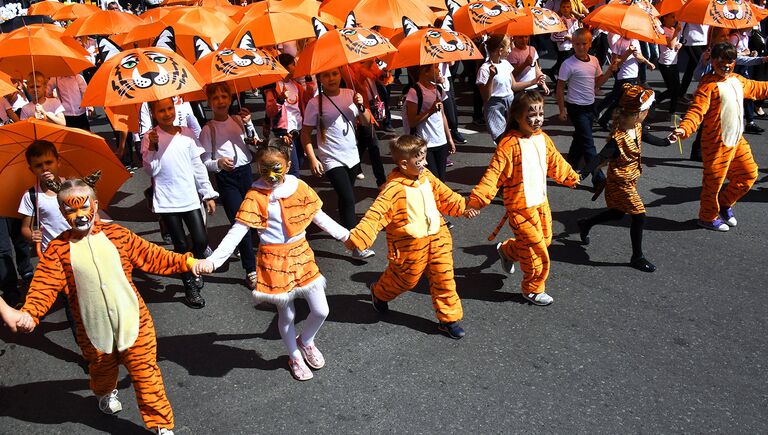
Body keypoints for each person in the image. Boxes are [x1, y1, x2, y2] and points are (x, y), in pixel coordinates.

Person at [0, 175, 205, 435]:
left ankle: (161, 425)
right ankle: (105, 391)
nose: (79, 214)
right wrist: (31, 313)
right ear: (62, 212)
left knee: (147, 374)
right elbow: (43, 287)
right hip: (93, 331)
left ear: (95, 206)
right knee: (102, 371)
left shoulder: (118, 235)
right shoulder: (57, 250)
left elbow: (153, 256)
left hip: (134, 323)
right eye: (71, 209)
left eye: (84, 206)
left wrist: (188, 263)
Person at [195, 139, 349, 381]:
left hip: (301, 254)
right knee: (286, 315)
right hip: (273, 259)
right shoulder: (255, 195)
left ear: (287, 165)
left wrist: (347, 236)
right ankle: (294, 356)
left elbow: (320, 217)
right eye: (264, 169)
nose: (270, 174)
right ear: (257, 168)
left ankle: (306, 341)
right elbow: (237, 231)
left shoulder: (299, 187)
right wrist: (214, 261)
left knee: (321, 310)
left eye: (276, 167)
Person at [343, 135, 473, 339]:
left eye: (424, 157)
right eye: (420, 159)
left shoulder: (427, 176)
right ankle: (379, 293)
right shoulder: (393, 189)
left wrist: (465, 206)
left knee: (445, 278)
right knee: (405, 281)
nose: (426, 162)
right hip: (410, 245)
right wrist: (359, 237)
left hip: (438, 238)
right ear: (404, 163)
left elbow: (446, 196)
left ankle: (449, 319)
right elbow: (376, 214)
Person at [466, 91, 580, 306]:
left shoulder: (543, 138)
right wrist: (476, 201)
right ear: (517, 116)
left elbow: (556, 162)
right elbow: (494, 174)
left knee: (544, 241)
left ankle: (507, 250)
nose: (537, 119)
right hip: (520, 208)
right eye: (531, 114)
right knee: (536, 249)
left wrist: (570, 177)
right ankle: (533, 289)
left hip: (541, 203)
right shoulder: (508, 145)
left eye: (540, 113)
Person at [669, 42, 768, 232]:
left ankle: (724, 203)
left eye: (730, 59)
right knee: (713, 184)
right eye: (721, 59)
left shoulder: (738, 80)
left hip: (737, 141)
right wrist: (684, 129)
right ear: (713, 60)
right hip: (716, 144)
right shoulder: (708, 85)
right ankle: (707, 217)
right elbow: (696, 112)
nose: (726, 63)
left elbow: (759, 88)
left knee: (749, 175)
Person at [577, 84, 671, 273]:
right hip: (619, 183)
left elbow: (649, 137)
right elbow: (600, 157)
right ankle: (637, 257)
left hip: (630, 180)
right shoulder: (618, 139)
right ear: (638, 113)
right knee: (639, 215)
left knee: (618, 212)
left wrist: (667, 141)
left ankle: (586, 223)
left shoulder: (637, 126)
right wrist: (582, 174)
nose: (648, 113)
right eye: (647, 110)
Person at [141, 98, 218, 308]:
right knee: (181, 245)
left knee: (201, 241)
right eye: (161, 110)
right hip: (167, 201)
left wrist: (207, 193)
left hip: (190, 197)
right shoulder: (149, 137)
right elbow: (151, 170)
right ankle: (189, 285)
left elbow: (198, 166)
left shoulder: (187, 133)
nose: (167, 113)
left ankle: (192, 265)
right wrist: (154, 147)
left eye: (169, 108)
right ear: (153, 113)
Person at [300, 67, 375, 259]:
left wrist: (362, 106)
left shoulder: (351, 94)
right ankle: (356, 244)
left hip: (352, 156)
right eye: (326, 74)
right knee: (349, 198)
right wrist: (313, 158)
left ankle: (344, 229)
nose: (331, 78)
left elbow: (366, 122)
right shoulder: (314, 103)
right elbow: (306, 134)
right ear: (319, 78)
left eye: (334, 73)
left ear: (340, 75)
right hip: (331, 159)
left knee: (345, 197)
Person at [199, 83, 259, 290]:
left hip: (246, 173)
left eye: (225, 96)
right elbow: (205, 160)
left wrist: (249, 125)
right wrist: (218, 163)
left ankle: (252, 250)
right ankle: (250, 268)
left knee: (256, 216)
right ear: (209, 103)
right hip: (227, 178)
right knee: (240, 221)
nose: (221, 101)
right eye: (216, 98)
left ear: (231, 98)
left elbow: (253, 145)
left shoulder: (237, 120)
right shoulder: (208, 129)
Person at [556, 28, 618, 186]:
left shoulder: (594, 61)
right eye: (577, 44)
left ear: (590, 44)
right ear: (573, 44)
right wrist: (562, 109)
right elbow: (560, 87)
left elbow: (597, 83)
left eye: (584, 43)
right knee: (589, 145)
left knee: (579, 140)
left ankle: (568, 169)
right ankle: (599, 179)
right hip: (575, 108)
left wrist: (610, 72)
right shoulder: (568, 64)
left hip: (590, 106)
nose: (580, 47)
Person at [476, 35, 545, 143]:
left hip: (510, 101)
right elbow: (486, 97)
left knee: (515, 134)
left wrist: (534, 81)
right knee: (501, 138)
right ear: (500, 50)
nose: (510, 50)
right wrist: (491, 77)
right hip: (495, 105)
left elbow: (514, 86)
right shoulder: (485, 69)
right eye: (508, 47)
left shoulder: (506, 64)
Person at [404, 64, 456, 182]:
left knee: (441, 181)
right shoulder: (414, 92)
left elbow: (443, 116)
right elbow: (412, 122)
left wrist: (450, 139)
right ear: (425, 71)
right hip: (425, 144)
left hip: (441, 142)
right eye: (436, 68)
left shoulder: (439, 90)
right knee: (433, 181)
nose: (439, 71)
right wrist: (430, 111)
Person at [263, 53, 310, 177]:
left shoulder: (297, 86)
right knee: (293, 168)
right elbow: (270, 111)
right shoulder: (273, 88)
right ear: (286, 67)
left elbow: (307, 100)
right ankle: (294, 194)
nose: (296, 67)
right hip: (283, 132)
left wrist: (309, 84)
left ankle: (285, 182)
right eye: (293, 64)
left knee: (300, 161)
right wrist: (280, 99)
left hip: (299, 129)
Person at [596, 32, 656, 130]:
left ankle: (603, 119)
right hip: (624, 76)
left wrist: (647, 62)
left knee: (618, 101)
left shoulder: (635, 41)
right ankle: (637, 124)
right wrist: (627, 53)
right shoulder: (619, 43)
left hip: (633, 75)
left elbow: (639, 57)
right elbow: (615, 64)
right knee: (630, 100)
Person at [657, 14, 683, 118]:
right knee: (671, 89)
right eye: (672, 17)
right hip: (665, 63)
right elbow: (670, 45)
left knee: (676, 89)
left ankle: (672, 111)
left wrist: (679, 45)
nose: (674, 19)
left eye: (674, 16)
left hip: (674, 62)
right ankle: (655, 100)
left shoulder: (674, 29)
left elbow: (676, 43)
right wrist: (676, 31)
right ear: (665, 18)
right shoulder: (662, 30)